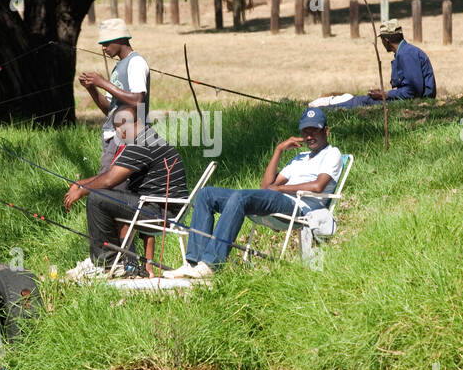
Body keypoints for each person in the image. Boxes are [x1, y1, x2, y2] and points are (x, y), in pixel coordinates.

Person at [165, 107, 344, 278]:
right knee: (206, 194)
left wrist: (280, 189)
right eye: (306, 131)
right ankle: (194, 264)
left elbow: (318, 186)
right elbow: (265, 186)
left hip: (299, 207)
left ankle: (211, 264)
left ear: (326, 131)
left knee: (240, 197)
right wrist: (279, 150)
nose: (309, 136)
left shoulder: (332, 154)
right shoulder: (300, 157)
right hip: (278, 199)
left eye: (315, 131)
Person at [62, 106, 184, 280]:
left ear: (121, 127)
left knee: (98, 198)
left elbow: (110, 180)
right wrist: (80, 184)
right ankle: (112, 262)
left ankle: (108, 263)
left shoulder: (140, 144)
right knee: (109, 196)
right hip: (163, 208)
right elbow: (110, 175)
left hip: (160, 213)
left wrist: (82, 191)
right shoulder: (149, 138)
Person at [78, 19, 149, 188]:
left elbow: (138, 99)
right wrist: (92, 89)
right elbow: (109, 110)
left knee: (108, 189)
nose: (103, 48)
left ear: (121, 39)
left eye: (106, 43)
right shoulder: (118, 67)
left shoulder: (136, 62)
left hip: (126, 136)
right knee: (109, 186)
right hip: (113, 134)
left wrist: (103, 83)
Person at [311, 17, 436, 108]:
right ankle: (327, 107)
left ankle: (325, 110)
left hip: (417, 103)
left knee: (364, 101)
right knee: (362, 99)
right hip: (411, 100)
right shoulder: (405, 52)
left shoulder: (406, 54)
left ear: (386, 40)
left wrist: (385, 95)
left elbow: (412, 91)